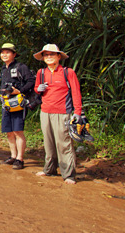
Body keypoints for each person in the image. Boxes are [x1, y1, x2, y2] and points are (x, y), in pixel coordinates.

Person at [33, 43, 83, 184]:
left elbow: (76, 93)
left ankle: (68, 174)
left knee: (64, 143)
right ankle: (49, 169)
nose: (49, 57)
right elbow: (37, 89)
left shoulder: (68, 72)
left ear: (59, 56)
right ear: (43, 58)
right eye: (46, 55)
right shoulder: (41, 73)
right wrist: (39, 89)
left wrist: (77, 112)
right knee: (48, 143)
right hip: (45, 111)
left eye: (52, 54)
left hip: (63, 113)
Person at [0, 43, 35, 170]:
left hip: (18, 104)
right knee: (8, 131)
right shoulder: (3, 68)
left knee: (18, 131)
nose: (4, 55)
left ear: (14, 54)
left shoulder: (21, 67)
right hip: (6, 104)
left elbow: (31, 81)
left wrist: (20, 91)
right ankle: (13, 156)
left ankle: (20, 159)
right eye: (3, 52)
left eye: (8, 52)